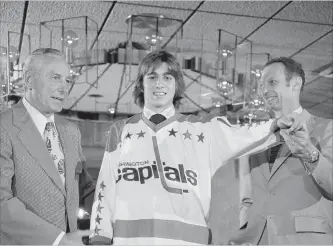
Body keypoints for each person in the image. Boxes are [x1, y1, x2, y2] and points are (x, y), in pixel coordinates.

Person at [89, 50, 302, 245]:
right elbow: (105, 190)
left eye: (167, 77)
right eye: (152, 77)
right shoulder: (121, 130)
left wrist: (274, 124)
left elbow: (242, 134)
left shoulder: (202, 129)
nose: (159, 84)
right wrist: (99, 239)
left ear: (176, 85)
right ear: (141, 84)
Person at [230, 57, 333, 245]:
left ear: (295, 83)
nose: (264, 90)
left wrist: (310, 154)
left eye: (272, 82)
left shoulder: (328, 128)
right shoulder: (255, 138)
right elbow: (246, 198)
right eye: (261, 85)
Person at [0, 48, 94, 244]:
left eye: (67, 80)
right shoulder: (4, 127)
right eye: (55, 78)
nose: (64, 88)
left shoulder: (70, 130)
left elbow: (84, 187)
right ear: (28, 80)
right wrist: (58, 240)